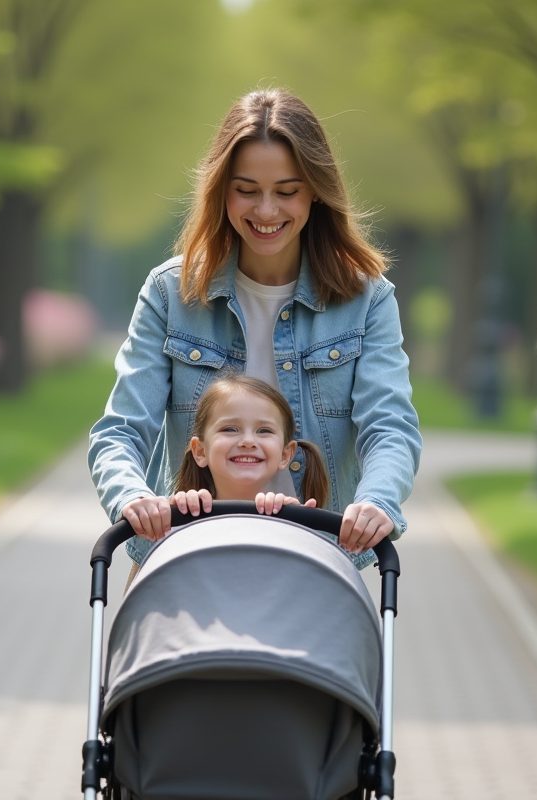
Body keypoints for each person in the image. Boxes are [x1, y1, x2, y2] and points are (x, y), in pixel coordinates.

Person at [88, 86, 422, 571]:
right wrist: (133, 497)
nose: (266, 211)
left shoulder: (366, 299)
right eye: (246, 190)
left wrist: (376, 502)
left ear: (316, 191)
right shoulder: (170, 293)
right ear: (221, 190)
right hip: (185, 557)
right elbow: (120, 431)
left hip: (317, 562)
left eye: (286, 192)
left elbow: (389, 427)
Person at [170, 375, 328, 518]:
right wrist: (172, 513)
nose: (248, 441)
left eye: (264, 431)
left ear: (285, 455)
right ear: (200, 451)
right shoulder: (178, 516)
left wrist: (292, 524)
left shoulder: (291, 520)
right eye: (230, 429)